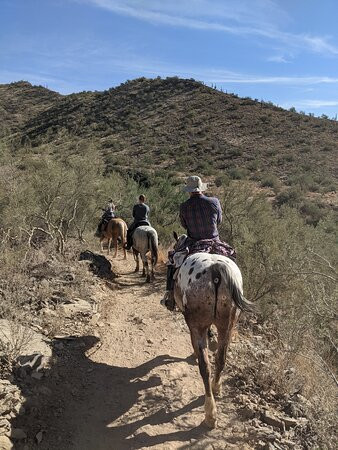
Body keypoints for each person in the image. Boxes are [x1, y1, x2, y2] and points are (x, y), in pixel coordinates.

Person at [162, 175, 223, 310]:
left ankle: (170, 296)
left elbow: (184, 225)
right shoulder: (214, 202)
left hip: (194, 243)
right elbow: (219, 221)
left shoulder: (184, 206)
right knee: (231, 258)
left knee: (173, 261)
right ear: (201, 188)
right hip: (214, 242)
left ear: (189, 191)